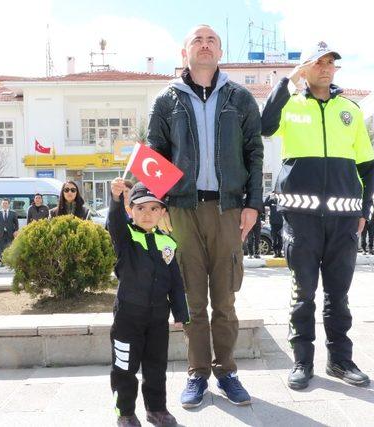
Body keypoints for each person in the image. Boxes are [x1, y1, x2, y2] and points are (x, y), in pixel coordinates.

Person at [148, 24, 263, 407]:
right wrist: (157, 203)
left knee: (225, 298)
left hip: (228, 208)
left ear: (219, 52)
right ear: (185, 53)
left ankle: (226, 371)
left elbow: (254, 153)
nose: (204, 44)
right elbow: (156, 154)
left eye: (211, 39)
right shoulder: (167, 101)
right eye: (197, 40)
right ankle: (197, 373)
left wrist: (253, 204)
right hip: (182, 210)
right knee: (191, 298)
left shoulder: (240, 98)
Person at [261, 41, 374, 390]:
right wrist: (287, 80)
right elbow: (265, 126)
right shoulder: (291, 105)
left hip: (343, 220)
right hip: (301, 219)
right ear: (306, 68)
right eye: (318, 62)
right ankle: (301, 361)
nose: (325, 68)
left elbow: (367, 164)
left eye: (331, 63)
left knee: (338, 296)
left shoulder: (350, 110)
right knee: (303, 294)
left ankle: (340, 360)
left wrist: (364, 210)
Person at [107, 179, 190, 427]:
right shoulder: (125, 237)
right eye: (140, 208)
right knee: (124, 367)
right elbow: (115, 224)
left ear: (162, 212)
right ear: (130, 210)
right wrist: (114, 199)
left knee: (156, 366)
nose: (147, 214)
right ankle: (125, 413)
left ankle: (156, 409)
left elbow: (175, 282)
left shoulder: (167, 242)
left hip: (157, 318)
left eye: (154, 208)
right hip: (127, 318)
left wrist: (181, 313)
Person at [0, 199, 19, 264]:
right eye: (3, 203)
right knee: (2, 248)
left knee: (10, 248)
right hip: (1, 234)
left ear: (8, 204)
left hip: (10, 234)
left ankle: (10, 263)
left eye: (6, 203)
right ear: (1, 204)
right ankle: (3, 262)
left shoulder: (13, 213)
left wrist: (16, 231)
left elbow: (16, 223)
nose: (5, 204)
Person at [264, 192, 284, 257]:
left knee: (280, 238)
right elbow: (265, 204)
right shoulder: (272, 200)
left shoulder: (282, 200)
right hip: (273, 222)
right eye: (275, 193)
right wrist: (269, 196)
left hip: (281, 222)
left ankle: (280, 252)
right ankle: (275, 252)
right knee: (274, 238)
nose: (277, 195)